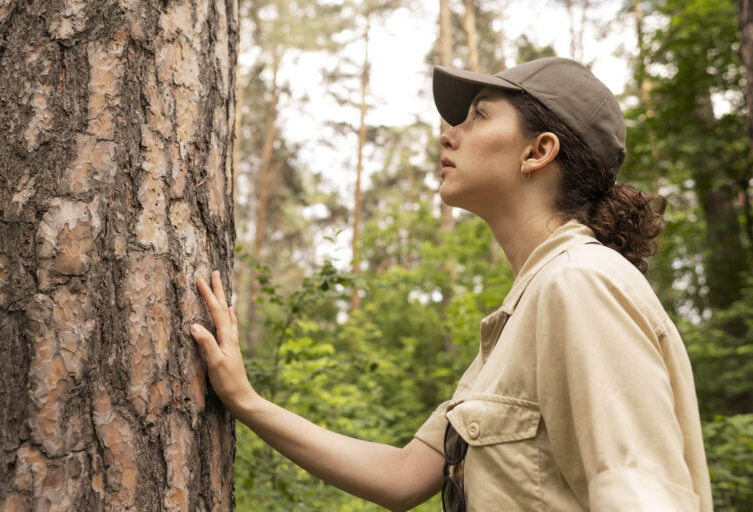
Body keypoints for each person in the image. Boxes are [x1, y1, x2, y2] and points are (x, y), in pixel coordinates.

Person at [190, 57, 713, 511]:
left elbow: (643, 493)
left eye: (479, 115)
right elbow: (402, 477)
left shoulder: (581, 282)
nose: (448, 133)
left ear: (539, 151)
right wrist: (245, 399)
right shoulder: (520, 318)